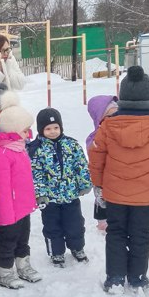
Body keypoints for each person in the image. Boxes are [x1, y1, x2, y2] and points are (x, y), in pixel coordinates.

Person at [89, 66, 149, 294]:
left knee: (116, 233)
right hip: (147, 195)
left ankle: (115, 277)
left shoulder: (108, 125)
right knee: (141, 235)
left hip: (115, 192)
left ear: (123, 96)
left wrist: (98, 186)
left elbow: (96, 158)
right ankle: (138, 277)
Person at [0, 91, 40, 289]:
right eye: (25, 130)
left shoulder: (19, 148)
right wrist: (4, 213)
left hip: (22, 206)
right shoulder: (0, 154)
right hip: (8, 210)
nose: (29, 133)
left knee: (23, 238)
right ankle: (6, 272)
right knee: (7, 240)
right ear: (15, 129)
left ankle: (23, 265)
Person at [28, 107, 92, 267]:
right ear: (41, 130)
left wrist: (84, 183)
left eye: (56, 127)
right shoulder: (37, 149)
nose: (52, 131)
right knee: (52, 227)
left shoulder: (71, 145)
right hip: (50, 199)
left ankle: (77, 248)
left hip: (70, 195)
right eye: (48, 129)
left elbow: (81, 166)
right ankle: (56, 252)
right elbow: (36, 174)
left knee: (75, 224)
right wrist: (40, 194)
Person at [86, 94, 118, 232]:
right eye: (109, 116)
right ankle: (102, 222)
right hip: (102, 176)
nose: (114, 118)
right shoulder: (95, 137)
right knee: (101, 198)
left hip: (118, 175)